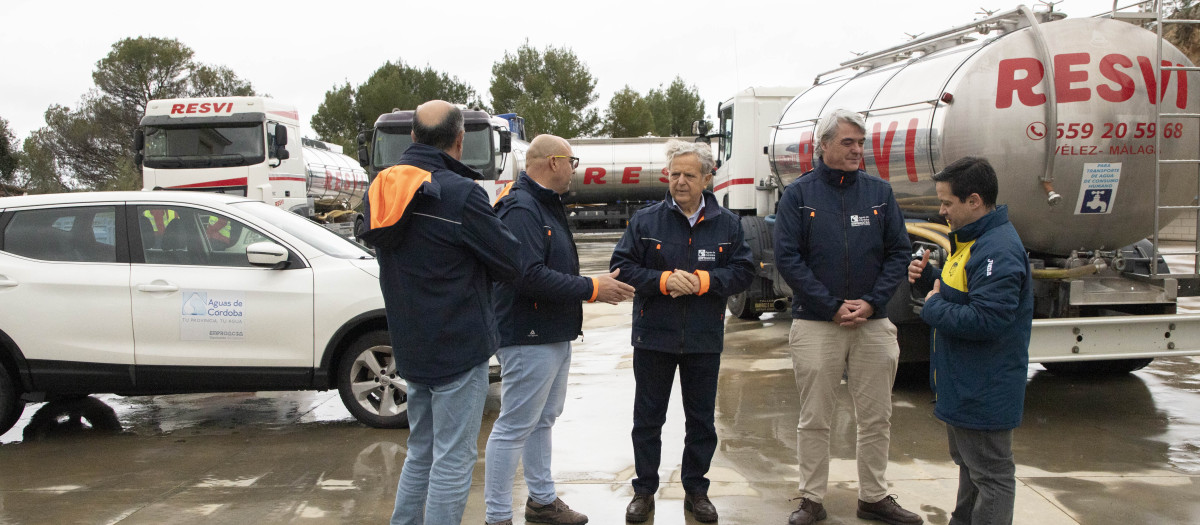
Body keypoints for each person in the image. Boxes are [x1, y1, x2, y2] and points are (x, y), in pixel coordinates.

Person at [358, 100, 522, 525]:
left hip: (410, 345)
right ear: (460, 141)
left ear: (412, 137)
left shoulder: (380, 190)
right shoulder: (461, 194)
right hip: (458, 346)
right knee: (453, 459)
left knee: (422, 451)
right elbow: (511, 262)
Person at [773, 108, 921, 525]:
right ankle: (812, 500)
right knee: (815, 418)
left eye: (861, 142)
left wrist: (873, 302)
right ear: (824, 146)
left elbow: (898, 252)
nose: (858, 150)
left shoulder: (879, 193)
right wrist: (831, 305)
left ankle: (873, 497)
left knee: (876, 416)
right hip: (817, 323)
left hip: (872, 323)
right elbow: (788, 258)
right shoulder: (799, 196)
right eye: (848, 143)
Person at [483, 135, 635, 525]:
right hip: (528, 333)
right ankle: (498, 516)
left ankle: (542, 501)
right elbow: (528, 276)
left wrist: (587, 288)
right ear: (553, 162)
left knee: (541, 420)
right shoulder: (521, 209)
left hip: (551, 331)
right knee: (515, 425)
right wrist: (592, 288)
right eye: (572, 161)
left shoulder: (542, 205)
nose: (575, 168)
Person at [610, 139, 754, 524]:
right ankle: (644, 491)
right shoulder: (646, 221)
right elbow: (621, 267)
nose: (680, 182)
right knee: (648, 419)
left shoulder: (728, 224)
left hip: (703, 339)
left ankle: (696, 489)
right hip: (654, 336)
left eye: (690, 175)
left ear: (708, 178)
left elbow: (744, 271)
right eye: (674, 174)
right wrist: (664, 280)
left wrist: (706, 281)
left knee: (702, 420)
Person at [908, 156, 1033, 525]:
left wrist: (929, 308)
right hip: (964, 382)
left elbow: (987, 319)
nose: (942, 210)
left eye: (947, 202)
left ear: (974, 200)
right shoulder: (972, 242)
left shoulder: (997, 250)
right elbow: (962, 294)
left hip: (984, 386)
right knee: (972, 467)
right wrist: (925, 278)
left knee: (991, 475)